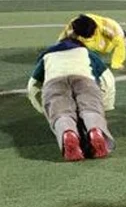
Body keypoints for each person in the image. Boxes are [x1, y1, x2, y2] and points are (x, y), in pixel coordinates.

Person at [28, 15, 116, 161]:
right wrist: (104, 106)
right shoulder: (87, 53)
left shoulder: (47, 54)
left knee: (61, 114)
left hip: (54, 82)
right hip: (84, 80)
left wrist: (44, 109)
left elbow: (32, 85)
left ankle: (68, 133)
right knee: (90, 109)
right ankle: (95, 131)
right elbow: (108, 80)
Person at [59, 13, 126, 70]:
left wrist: (117, 63)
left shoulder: (110, 27)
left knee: (108, 48)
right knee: (73, 43)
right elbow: (62, 40)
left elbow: (119, 43)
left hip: (107, 38)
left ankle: (125, 35)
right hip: (91, 39)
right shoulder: (73, 27)